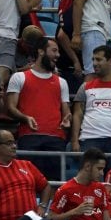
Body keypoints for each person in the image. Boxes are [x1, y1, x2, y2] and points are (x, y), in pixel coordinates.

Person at [6, 37, 71, 167]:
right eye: (54, 51)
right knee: (27, 180)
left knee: (54, 181)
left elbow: (66, 110)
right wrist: (25, 118)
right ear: (41, 52)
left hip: (56, 138)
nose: (57, 55)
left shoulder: (62, 82)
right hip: (29, 136)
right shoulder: (19, 77)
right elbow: (10, 107)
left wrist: (67, 119)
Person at [0, 0, 41, 88]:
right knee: (2, 78)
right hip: (6, 34)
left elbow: (10, 7)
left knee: (9, 78)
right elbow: (24, 8)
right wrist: (32, 3)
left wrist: (31, 6)